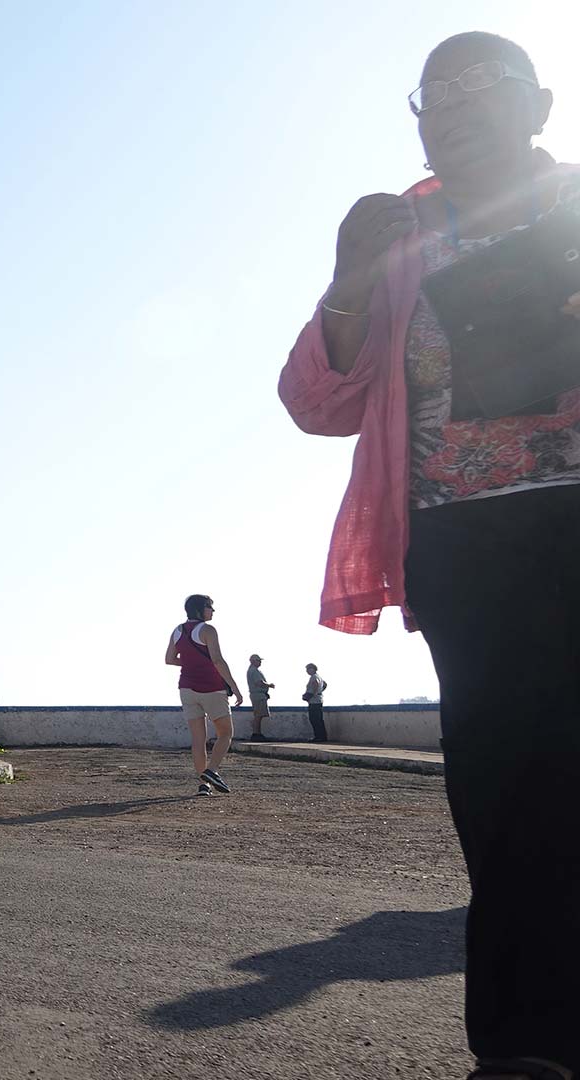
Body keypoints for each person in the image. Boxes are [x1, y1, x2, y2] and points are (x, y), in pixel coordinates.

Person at [279, 31, 580, 1080]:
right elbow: (316, 402)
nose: (450, 105)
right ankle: (524, 1049)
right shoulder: (402, 237)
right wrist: (352, 279)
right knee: (498, 796)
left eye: (479, 85)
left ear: (539, 105)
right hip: (464, 544)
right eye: (432, 92)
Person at [164, 594, 243, 796]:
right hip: (211, 688)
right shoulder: (208, 630)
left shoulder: (177, 631)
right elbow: (217, 660)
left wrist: (191, 663)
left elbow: (170, 659)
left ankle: (203, 785)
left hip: (187, 689)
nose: (213, 611)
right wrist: (234, 686)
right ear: (200, 609)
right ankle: (212, 770)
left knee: (198, 738)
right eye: (210, 607)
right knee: (225, 733)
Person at [246, 654, 275, 740]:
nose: (260, 662)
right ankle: (256, 733)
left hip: (258, 695)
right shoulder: (254, 671)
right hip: (258, 695)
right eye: (258, 660)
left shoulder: (253, 670)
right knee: (258, 715)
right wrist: (269, 685)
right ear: (253, 661)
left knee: (259, 714)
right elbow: (259, 682)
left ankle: (257, 733)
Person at [302, 663, 330, 742]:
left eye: (308, 669)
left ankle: (319, 737)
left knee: (314, 719)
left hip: (314, 701)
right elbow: (324, 684)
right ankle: (321, 736)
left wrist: (312, 694)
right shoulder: (318, 676)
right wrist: (319, 692)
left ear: (313, 669)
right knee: (319, 719)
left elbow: (316, 684)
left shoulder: (314, 677)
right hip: (318, 700)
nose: (307, 671)